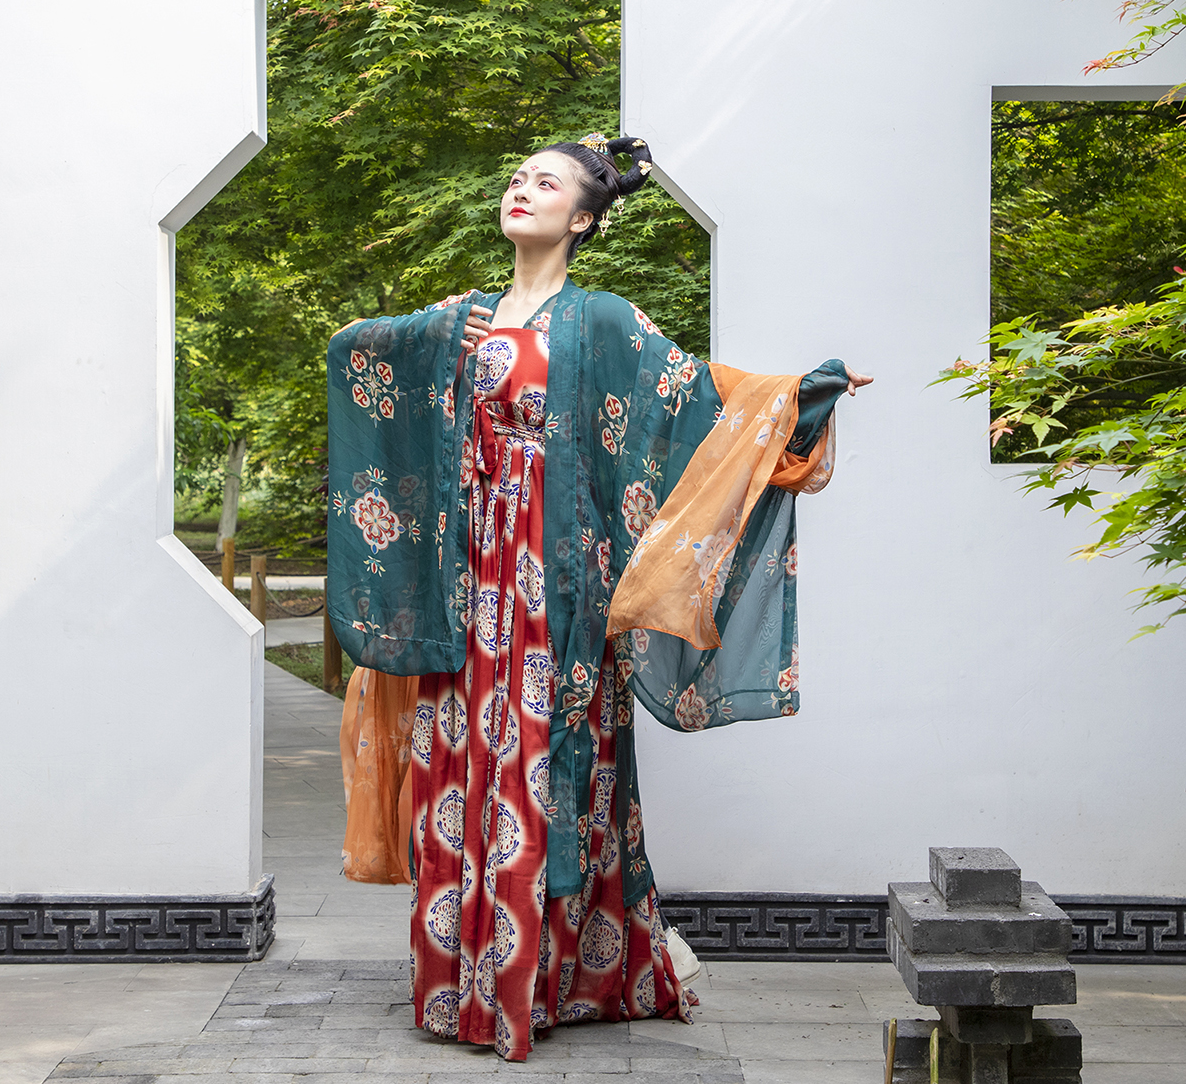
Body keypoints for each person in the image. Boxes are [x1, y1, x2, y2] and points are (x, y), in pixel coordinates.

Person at [327, 134, 871, 1061]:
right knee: (462, 761)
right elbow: (353, 354)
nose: (521, 189)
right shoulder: (461, 316)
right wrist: (429, 344)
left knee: (548, 762)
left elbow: (692, 399)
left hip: (558, 588)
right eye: (516, 178)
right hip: (466, 585)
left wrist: (799, 398)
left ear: (582, 218)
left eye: (545, 183)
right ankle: (460, 983)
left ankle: (539, 984)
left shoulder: (605, 320)